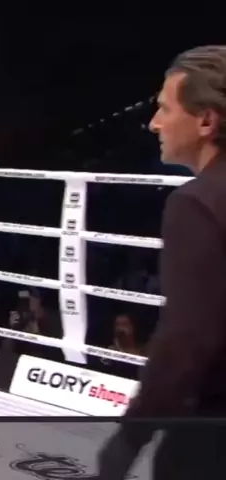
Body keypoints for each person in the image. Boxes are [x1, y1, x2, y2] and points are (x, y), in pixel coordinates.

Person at [97, 45, 226, 480]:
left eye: (165, 108)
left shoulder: (198, 202)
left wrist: (131, 435)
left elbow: (188, 337)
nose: (154, 123)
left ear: (206, 121)